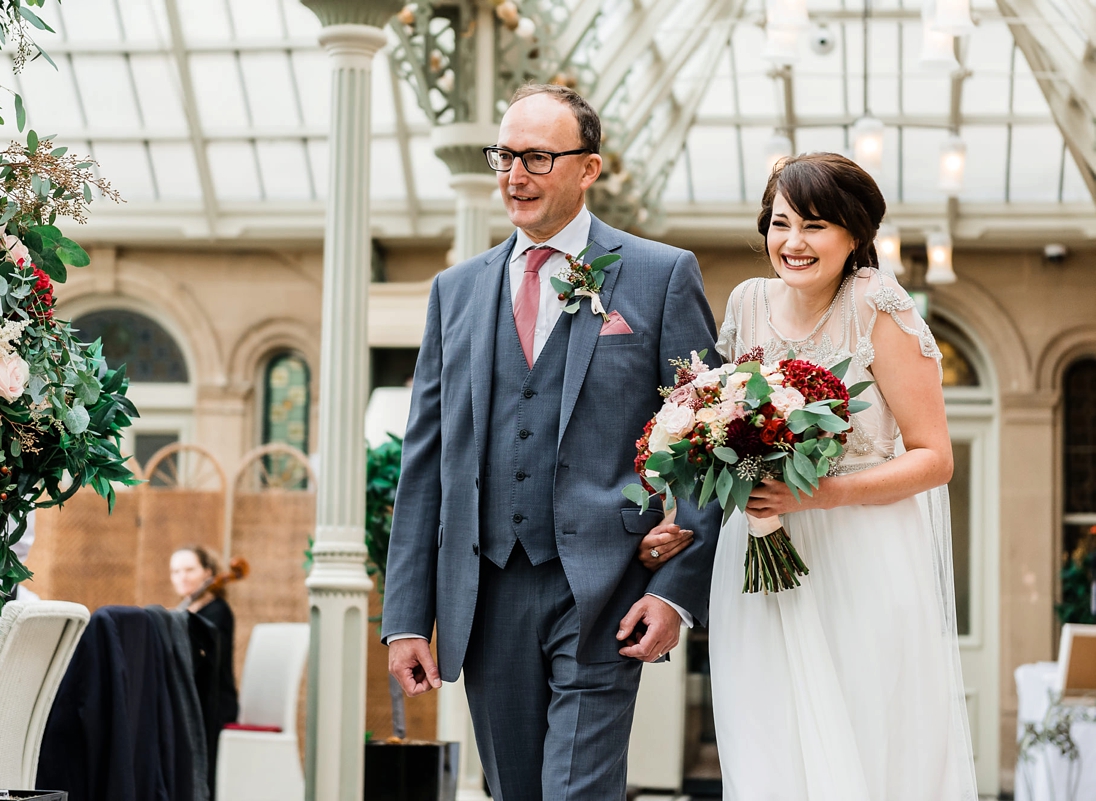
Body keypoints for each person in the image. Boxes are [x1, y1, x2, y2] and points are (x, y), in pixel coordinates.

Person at [381, 83, 722, 801]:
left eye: (536, 156)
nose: (513, 174)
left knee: (578, 792)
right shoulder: (455, 290)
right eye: (504, 155)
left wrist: (676, 592)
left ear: (589, 168)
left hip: (602, 586)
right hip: (486, 590)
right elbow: (425, 464)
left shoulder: (660, 277)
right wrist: (407, 616)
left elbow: (707, 439)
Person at [649, 152, 978, 799]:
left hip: (863, 556)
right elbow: (723, 422)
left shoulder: (876, 304)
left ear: (854, 234)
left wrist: (827, 492)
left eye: (815, 225)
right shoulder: (746, 301)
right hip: (758, 555)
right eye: (780, 223)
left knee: (861, 734)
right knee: (765, 732)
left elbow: (935, 456)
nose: (792, 243)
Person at [171, 545, 239, 730]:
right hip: (192, 701)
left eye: (189, 570)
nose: (182, 577)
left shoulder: (217, 611)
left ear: (208, 573)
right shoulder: (186, 609)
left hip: (211, 707)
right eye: (176, 571)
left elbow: (201, 664)